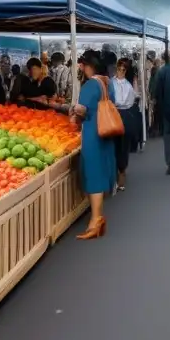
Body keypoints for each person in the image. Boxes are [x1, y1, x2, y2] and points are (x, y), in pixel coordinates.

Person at [69, 51, 117, 239]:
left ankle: (96, 220)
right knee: (102, 169)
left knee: (93, 172)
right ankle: (98, 218)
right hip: (106, 131)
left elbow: (82, 111)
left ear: (87, 65)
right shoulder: (107, 82)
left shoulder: (90, 85)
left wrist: (73, 111)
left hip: (92, 133)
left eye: (82, 65)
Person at [111, 58, 137, 190]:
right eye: (119, 68)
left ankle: (122, 171)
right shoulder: (111, 83)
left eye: (123, 69)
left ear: (126, 71)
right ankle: (115, 173)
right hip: (114, 113)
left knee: (123, 145)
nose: (121, 71)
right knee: (113, 144)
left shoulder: (128, 85)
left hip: (125, 114)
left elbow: (130, 101)